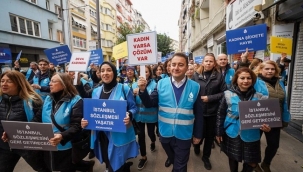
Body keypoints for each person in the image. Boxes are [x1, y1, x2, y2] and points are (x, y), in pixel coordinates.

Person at [138, 52, 203, 172]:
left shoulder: (196, 87)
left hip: (184, 135)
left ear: (187, 67)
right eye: (173, 64)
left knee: (180, 166)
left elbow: (199, 113)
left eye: (180, 65)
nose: (176, 68)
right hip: (165, 133)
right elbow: (150, 103)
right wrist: (143, 91)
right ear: (169, 67)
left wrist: (198, 134)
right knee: (173, 159)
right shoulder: (161, 83)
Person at [81, 62, 139, 172]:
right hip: (101, 136)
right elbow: (93, 112)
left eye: (109, 70)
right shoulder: (96, 91)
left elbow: (134, 108)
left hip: (118, 136)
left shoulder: (124, 88)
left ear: (114, 72)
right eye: (102, 70)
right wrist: (85, 121)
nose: (105, 73)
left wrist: (129, 114)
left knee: (117, 164)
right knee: (107, 160)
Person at [216, 67, 271, 172]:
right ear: (236, 79)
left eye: (249, 78)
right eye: (242, 78)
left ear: (252, 80)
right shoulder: (227, 94)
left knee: (251, 162)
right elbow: (220, 113)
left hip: (251, 134)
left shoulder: (259, 97)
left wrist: (267, 126)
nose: (246, 81)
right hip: (232, 132)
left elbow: (265, 116)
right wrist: (218, 132)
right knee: (233, 159)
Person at [0, 71, 49, 172]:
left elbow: (42, 122)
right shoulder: (1, 100)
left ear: (19, 83)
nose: (4, 84)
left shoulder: (33, 100)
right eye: (2, 81)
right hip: (5, 146)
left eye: (9, 81)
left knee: (43, 169)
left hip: (29, 147)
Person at [40, 73, 90, 172]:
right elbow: (37, 117)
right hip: (48, 144)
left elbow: (77, 126)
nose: (50, 84)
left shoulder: (76, 100)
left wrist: (62, 136)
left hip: (66, 146)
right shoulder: (48, 98)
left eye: (53, 81)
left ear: (64, 84)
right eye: (50, 81)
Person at [254, 61, 291, 172]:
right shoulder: (255, 82)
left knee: (274, 145)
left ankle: (266, 163)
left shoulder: (279, 83)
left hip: (274, 119)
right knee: (254, 143)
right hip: (258, 119)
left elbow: (283, 102)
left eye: (272, 69)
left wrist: (284, 119)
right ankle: (253, 164)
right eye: (267, 69)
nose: (270, 71)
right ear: (260, 70)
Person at [192, 53, 227, 170]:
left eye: (210, 61)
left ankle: (206, 157)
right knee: (198, 134)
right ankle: (196, 146)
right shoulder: (196, 75)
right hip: (198, 112)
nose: (208, 63)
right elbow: (190, 91)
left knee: (209, 137)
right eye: (206, 61)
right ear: (202, 62)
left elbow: (224, 92)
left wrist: (210, 98)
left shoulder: (219, 76)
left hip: (212, 112)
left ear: (214, 63)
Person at [132, 65, 158, 170]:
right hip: (139, 117)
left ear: (150, 73)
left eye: (146, 72)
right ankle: (143, 157)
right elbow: (131, 102)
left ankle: (153, 141)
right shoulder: (134, 85)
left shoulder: (155, 85)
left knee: (151, 133)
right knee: (141, 137)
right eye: (142, 72)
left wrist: (142, 92)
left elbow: (153, 102)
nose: (144, 74)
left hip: (151, 117)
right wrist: (133, 95)